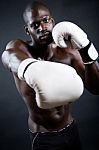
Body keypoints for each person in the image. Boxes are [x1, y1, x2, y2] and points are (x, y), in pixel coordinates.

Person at [1, 1, 99, 150]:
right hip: (43, 136)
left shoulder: (68, 53)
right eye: (35, 25)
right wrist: (29, 67)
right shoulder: (21, 50)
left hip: (70, 128)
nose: (42, 28)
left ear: (52, 21)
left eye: (45, 20)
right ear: (28, 30)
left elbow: (96, 87)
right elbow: (9, 57)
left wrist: (86, 49)